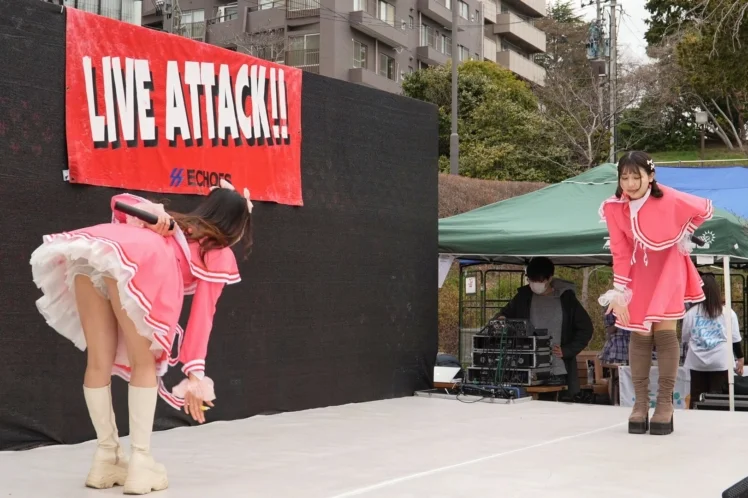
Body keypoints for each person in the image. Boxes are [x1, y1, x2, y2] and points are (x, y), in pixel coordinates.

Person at [29, 179, 252, 494]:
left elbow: (119, 202)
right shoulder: (215, 248)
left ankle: (106, 457)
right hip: (138, 265)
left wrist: (155, 218)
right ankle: (140, 463)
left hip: (97, 252)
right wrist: (194, 374)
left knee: (97, 362)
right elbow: (204, 313)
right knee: (143, 363)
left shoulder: (174, 225)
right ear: (237, 225)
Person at [598, 151, 713, 435]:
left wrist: (682, 233)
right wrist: (620, 290)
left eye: (636, 176)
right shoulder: (615, 208)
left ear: (650, 176)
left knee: (663, 332)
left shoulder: (668, 197)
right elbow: (620, 250)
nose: (629, 182)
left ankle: (664, 404)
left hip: (668, 266)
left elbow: (701, 209)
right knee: (638, 333)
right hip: (638, 270)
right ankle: (639, 404)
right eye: (624, 176)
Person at [500, 257, 593, 397]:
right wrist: (501, 320)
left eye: (540, 281)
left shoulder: (566, 299)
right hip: (525, 367)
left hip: (557, 370)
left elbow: (586, 328)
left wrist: (568, 350)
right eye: (532, 280)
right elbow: (503, 315)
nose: (535, 284)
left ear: (550, 278)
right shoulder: (523, 296)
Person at [681, 273, 744, 409]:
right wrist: (740, 358)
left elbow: (685, 337)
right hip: (721, 361)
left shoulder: (691, 313)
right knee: (718, 398)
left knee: (696, 397)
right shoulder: (728, 313)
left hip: (697, 362)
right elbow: (735, 339)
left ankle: (695, 423)